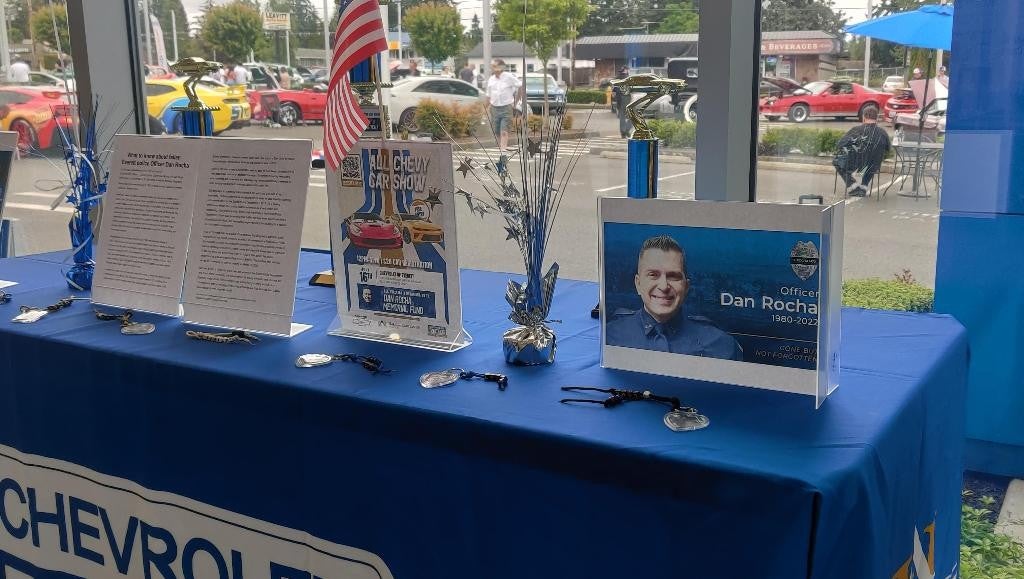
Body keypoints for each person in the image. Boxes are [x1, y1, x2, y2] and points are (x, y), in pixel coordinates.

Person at [606, 236, 743, 360]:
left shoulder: (721, 345)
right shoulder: (611, 336)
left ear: (686, 286)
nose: (664, 286)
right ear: (638, 283)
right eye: (653, 274)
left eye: (673, 276)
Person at [832, 106, 891, 197]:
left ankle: (853, 186)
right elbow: (888, 148)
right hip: (873, 166)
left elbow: (840, 144)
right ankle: (864, 186)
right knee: (872, 161)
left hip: (856, 164)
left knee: (836, 161)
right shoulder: (882, 132)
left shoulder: (856, 130)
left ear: (864, 117)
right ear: (876, 118)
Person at [485, 59, 522, 151]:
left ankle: (503, 150)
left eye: (494, 66)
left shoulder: (508, 77)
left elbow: (520, 86)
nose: (492, 68)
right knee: (497, 131)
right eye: (492, 66)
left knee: (504, 131)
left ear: (501, 67)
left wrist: (516, 102)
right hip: (494, 108)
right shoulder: (491, 79)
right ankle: (501, 148)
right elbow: (488, 95)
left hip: (506, 108)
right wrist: (485, 109)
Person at [611, 66, 631, 138]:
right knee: (633, 115)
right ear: (626, 70)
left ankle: (623, 132)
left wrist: (614, 101)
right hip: (627, 97)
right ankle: (626, 130)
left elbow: (613, 93)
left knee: (622, 116)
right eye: (628, 70)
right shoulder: (628, 78)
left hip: (619, 98)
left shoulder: (616, 79)